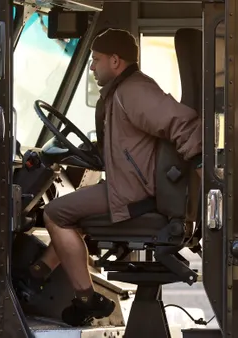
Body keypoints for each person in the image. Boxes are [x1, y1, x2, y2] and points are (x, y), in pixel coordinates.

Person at [14, 28, 202, 326]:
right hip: (135, 188)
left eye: (95, 59)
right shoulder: (122, 93)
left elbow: (183, 124)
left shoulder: (133, 92)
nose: (91, 67)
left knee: (54, 214)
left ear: (115, 61)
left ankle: (86, 300)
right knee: (75, 214)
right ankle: (37, 274)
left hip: (133, 195)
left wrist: (204, 169)